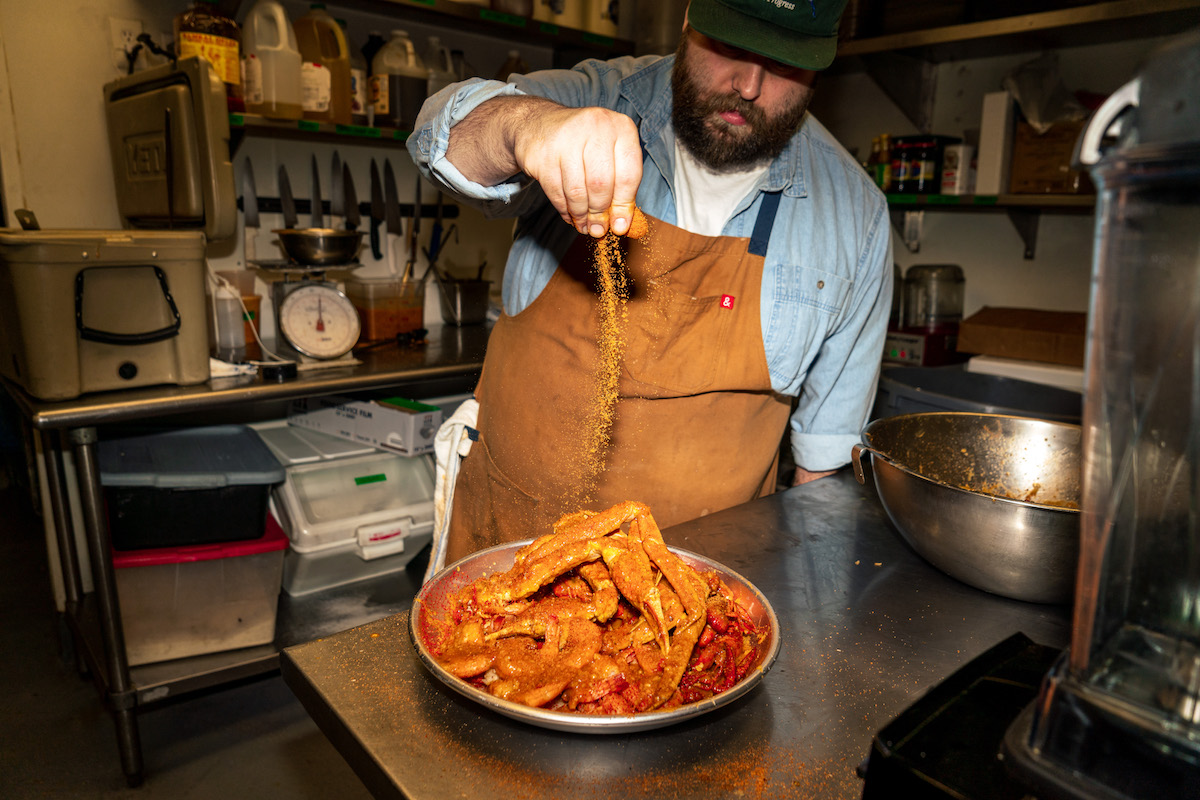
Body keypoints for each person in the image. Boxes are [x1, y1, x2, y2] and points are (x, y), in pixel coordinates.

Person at [408, 0, 892, 573]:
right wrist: (528, 128)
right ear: (690, 19)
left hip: (703, 598)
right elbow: (439, 135)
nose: (750, 85)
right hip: (508, 567)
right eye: (731, 47)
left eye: (787, 66)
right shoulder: (598, 97)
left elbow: (824, 473)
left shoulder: (854, 217)